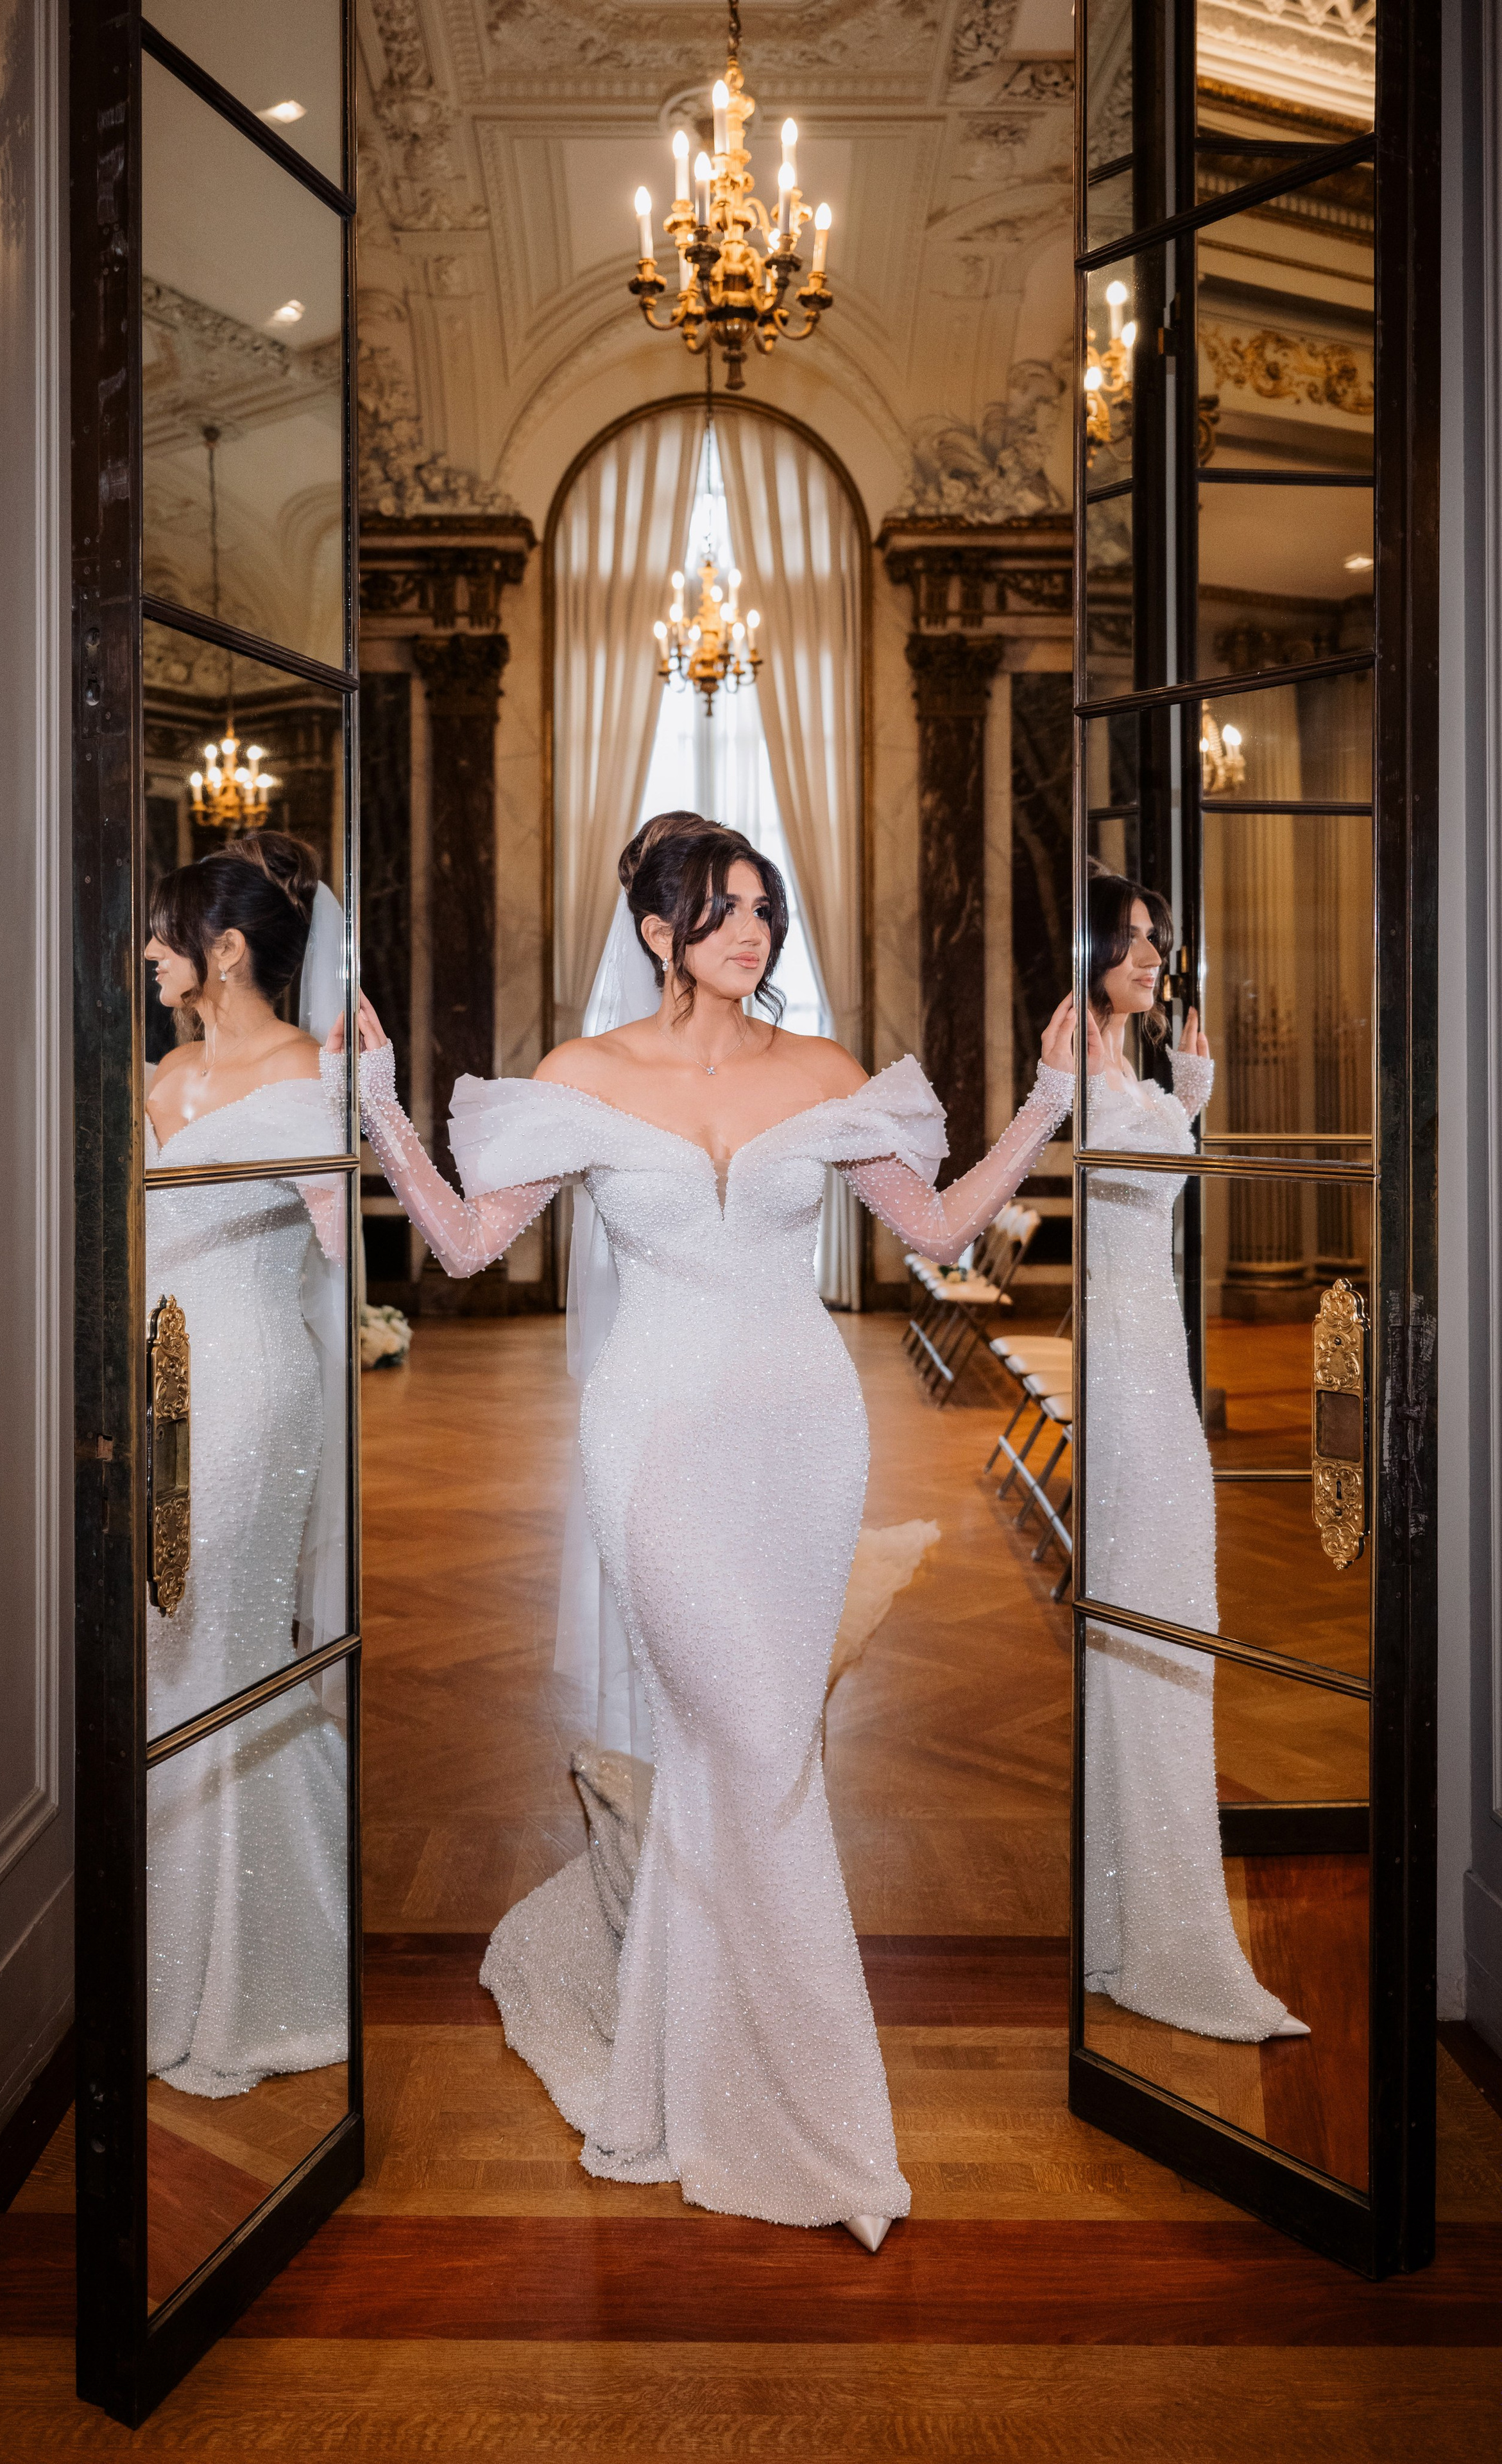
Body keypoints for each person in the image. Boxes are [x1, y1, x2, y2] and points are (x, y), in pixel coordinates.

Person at [329, 814, 1077, 2245]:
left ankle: (685, 2061)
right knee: (747, 1742)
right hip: (654, 1438)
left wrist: (1045, 1101)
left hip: (804, 1434)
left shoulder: (823, 1074)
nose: (752, 931)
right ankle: (821, 2116)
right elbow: (469, 1241)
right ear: (656, 929)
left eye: (764, 909)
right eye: (721, 908)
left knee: (756, 1748)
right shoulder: (581, 1076)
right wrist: (376, 1102)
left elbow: (932, 1234)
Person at [1079, 862, 1306, 2043]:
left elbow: (1148, 1168)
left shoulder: (1125, 1062)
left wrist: (1188, 1095)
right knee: (1152, 1601)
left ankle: (1128, 1912)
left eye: (1155, 940)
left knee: (1160, 1605)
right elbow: (1112, 1161)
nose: (1151, 957)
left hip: (1148, 1337)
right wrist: (1177, 1111)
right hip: (1122, 1359)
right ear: (1088, 952)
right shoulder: (1074, 1055)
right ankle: (1146, 1925)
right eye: (1131, 939)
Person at [142, 830, 350, 2098]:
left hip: (255, 1382)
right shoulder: (163, 1073)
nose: (151, 954)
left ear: (223, 949)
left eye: (167, 934)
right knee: (171, 1639)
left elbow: (345, 1253)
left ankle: (265, 1963)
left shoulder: (317, 1073)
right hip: (159, 1377)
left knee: (221, 1636)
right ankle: (173, 1943)